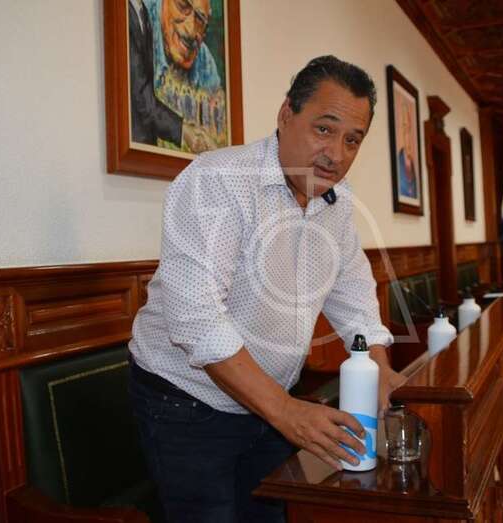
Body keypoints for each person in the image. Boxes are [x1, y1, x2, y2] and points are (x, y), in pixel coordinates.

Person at [128, 55, 404, 523]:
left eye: (352, 139)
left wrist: (378, 362)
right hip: (187, 403)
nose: (336, 154)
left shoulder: (338, 201)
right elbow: (196, 319)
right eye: (324, 129)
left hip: (271, 401)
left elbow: (352, 288)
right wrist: (286, 412)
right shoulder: (217, 181)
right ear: (285, 114)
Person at [128, 0, 210, 152]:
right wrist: (183, 130)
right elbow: (143, 99)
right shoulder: (127, 14)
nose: (191, 29)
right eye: (182, 6)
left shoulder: (142, 12)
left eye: (200, 19)